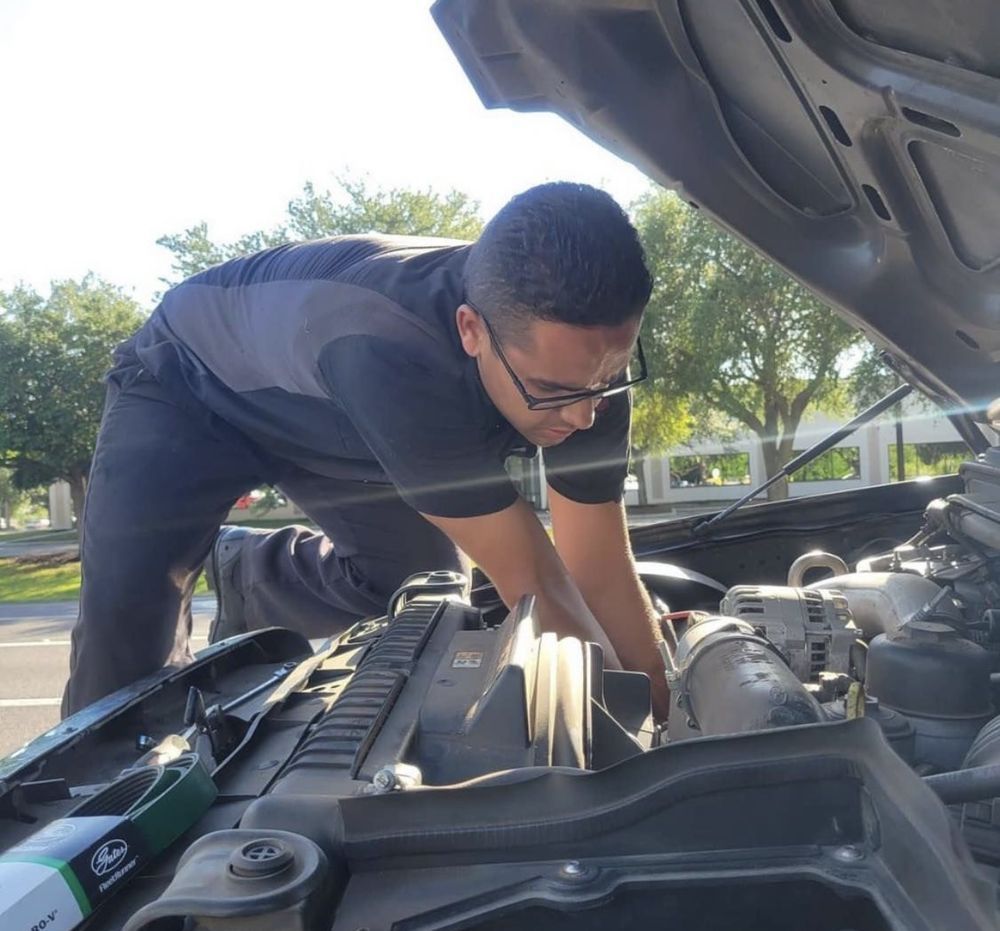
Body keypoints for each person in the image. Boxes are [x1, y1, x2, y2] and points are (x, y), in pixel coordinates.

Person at [62, 182, 668, 717]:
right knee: (125, 663)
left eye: (606, 384)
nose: (585, 414)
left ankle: (250, 575)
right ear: (471, 330)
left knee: (419, 595)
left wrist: (667, 720)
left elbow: (600, 569)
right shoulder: (396, 351)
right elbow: (537, 584)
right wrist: (627, 740)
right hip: (188, 386)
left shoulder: (587, 368)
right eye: (550, 392)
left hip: (333, 413)